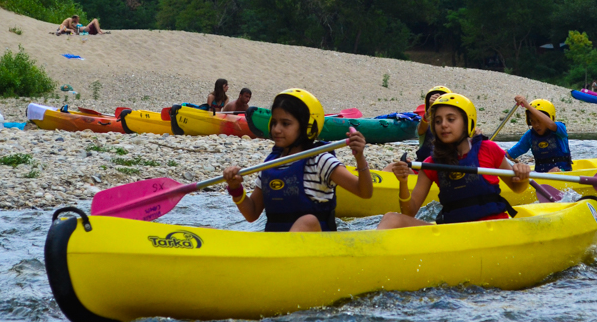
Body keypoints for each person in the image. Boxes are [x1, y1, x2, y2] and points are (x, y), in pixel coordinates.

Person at [221, 88, 373, 232]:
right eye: (274, 122)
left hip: (316, 248)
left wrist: (359, 157)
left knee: (308, 221)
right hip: (278, 249)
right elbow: (252, 213)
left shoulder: (321, 161)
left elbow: (364, 192)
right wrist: (236, 189)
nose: (276, 129)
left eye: (285, 124)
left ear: (307, 127)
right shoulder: (270, 164)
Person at [377, 93, 530, 229]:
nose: (443, 125)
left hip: (491, 229)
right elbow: (409, 212)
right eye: (437, 121)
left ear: (467, 123)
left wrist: (523, 175)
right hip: (454, 233)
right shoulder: (430, 164)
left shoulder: (488, 149)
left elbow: (517, 187)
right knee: (391, 219)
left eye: (451, 119)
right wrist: (403, 182)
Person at [505, 96, 572, 172]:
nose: (536, 125)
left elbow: (551, 125)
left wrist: (527, 106)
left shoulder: (560, 128)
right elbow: (511, 154)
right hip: (540, 175)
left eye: (539, 120)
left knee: (555, 170)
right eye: (532, 121)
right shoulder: (530, 135)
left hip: (563, 172)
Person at [416, 86, 451, 162]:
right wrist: (431, 108)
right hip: (423, 165)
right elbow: (420, 130)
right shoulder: (425, 124)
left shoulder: (453, 126)